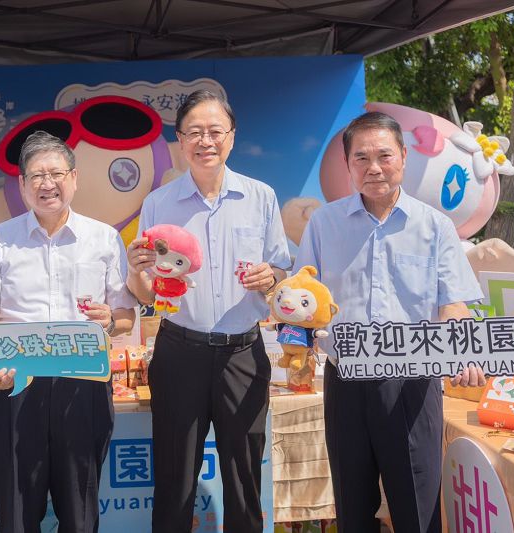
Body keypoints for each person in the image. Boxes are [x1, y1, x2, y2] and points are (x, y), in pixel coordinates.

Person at [294, 111, 486, 533]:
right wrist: (296, 344)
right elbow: (302, 297)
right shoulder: (324, 223)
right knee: (353, 508)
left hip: (414, 383)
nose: (374, 167)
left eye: (384, 155)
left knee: (418, 508)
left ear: (403, 157)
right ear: (348, 165)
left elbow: (453, 303)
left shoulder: (435, 226)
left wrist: (465, 351)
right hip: (346, 379)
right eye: (361, 158)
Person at [126, 90, 290, 533]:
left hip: (243, 353)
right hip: (180, 351)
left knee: (244, 477)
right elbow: (145, 290)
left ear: (231, 137)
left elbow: (281, 269)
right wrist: (137, 269)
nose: (206, 141)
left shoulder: (260, 197)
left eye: (215, 131)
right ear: (180, 140)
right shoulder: (159, 204)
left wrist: (271, 276)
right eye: (194, 132)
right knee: (174, 476)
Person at [0, 130, 136, 533]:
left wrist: (109, 321)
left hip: (83, 385)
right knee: (16, 510)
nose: (47, 184)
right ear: (22, 184)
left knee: (80, 509)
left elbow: (125, 318)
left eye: (56, 173)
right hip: (14, 386)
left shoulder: (104, 239)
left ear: (74, 178)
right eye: (37, 175)